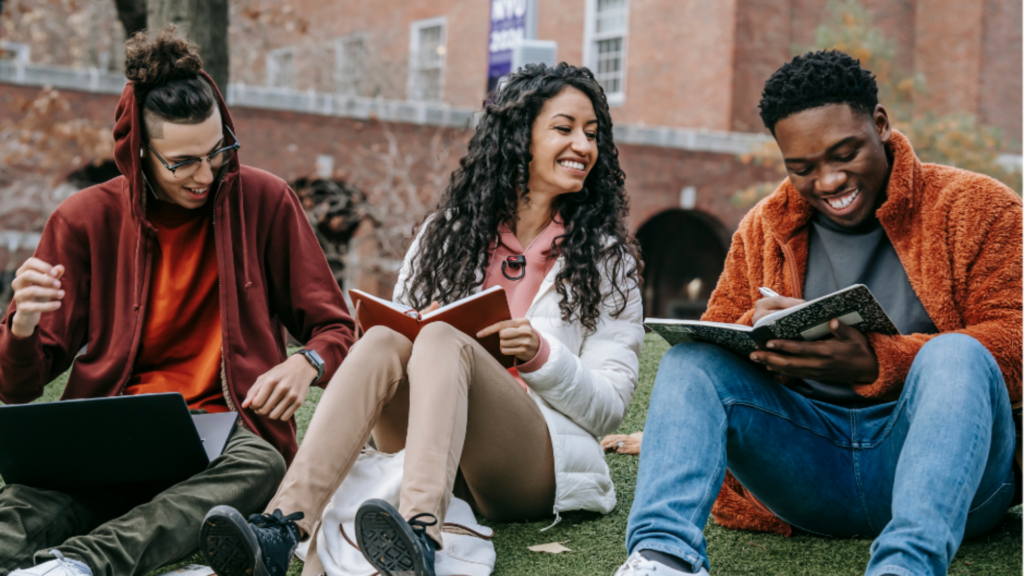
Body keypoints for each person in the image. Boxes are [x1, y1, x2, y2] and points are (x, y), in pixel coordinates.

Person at [198, 62, 645, 576]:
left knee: (442, 340)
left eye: (592, 134)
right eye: (564, 129)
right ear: (518, 137)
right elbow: (401, 341)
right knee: (389, 337)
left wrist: (542, 355)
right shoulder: (446, 234)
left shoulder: (606, 259)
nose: (583, 146)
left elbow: (610, 406)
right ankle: (281, 527)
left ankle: (418, 535)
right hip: (428, 448)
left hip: (528, 464)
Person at [617, 50, 1021, 576]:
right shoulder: (764, 225)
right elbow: (719, 337)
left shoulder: (980, 208)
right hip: (809, 470)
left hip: (951, 478)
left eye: (844, 154)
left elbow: (1015, 339)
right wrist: (766, 338)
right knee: (690, 363)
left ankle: (906, 566)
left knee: (957, 355)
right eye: (802, 168)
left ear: (880, 125)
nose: (828, 181)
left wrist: (878, 362)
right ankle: (662, 557)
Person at [0, 26, 356, 576]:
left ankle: (78, 566)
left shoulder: (266, 201)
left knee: (261, 466)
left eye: (218, 151)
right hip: (110, 435)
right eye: (183, 161)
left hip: (227, 437)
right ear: (137, 151)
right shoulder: (83, 219)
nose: (206, 173)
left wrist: (305, 362)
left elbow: (336, 328)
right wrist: (21, 327)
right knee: (20, 509)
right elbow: (20, 386)